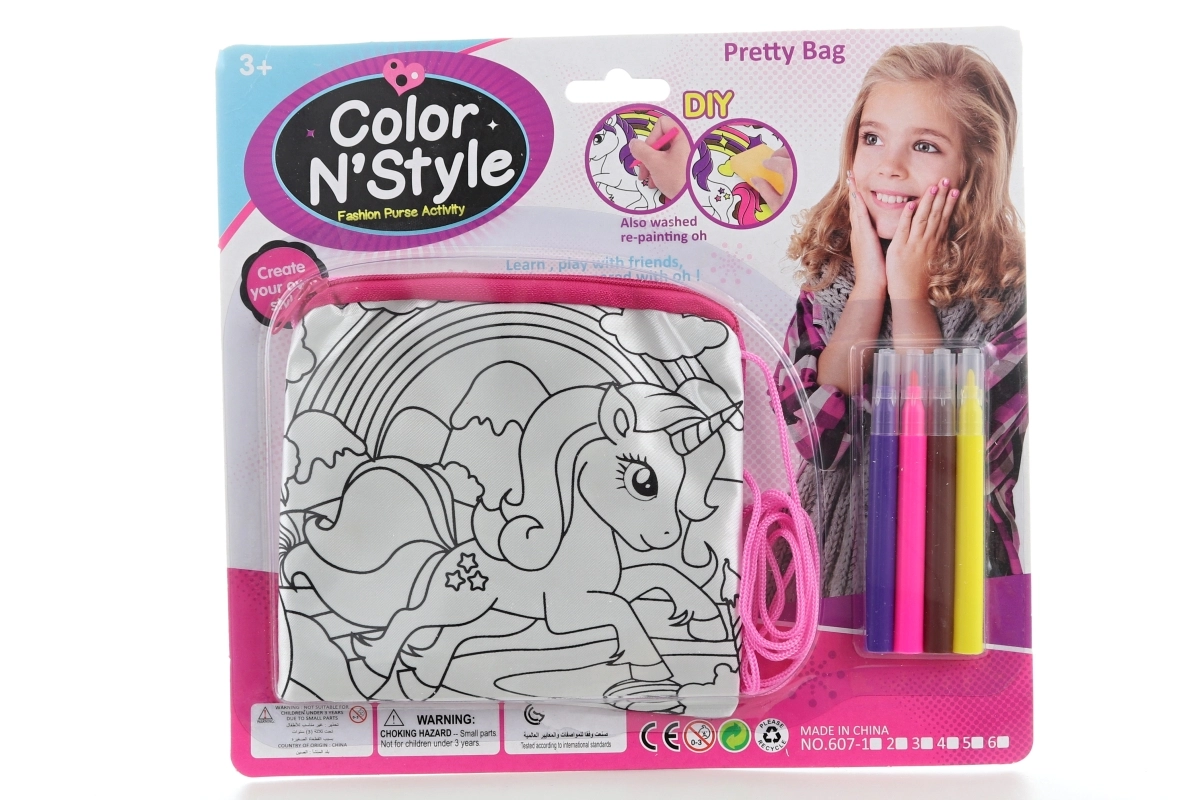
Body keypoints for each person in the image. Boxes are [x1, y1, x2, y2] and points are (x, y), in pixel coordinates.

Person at [780, 43, 1027, 597]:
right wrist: (869, 289)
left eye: (924, 145)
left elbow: (942, 461)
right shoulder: (829, 284)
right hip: (825, 576)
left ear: (976, 167)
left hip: (955, 583)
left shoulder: (1008, 303)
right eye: (872, 138)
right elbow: (818, 443)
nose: (889, 166)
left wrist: (911, 297)